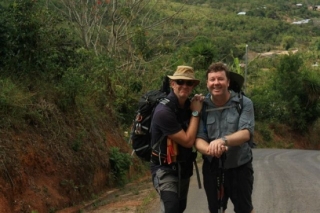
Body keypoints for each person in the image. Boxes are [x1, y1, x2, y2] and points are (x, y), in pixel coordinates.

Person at [195, 62, 255, 213]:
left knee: (245, 209)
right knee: (215, 210)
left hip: (239, 166)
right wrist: (210, 149)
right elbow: (198, 138)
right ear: (207, 83)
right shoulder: (201, 106)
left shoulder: (243, 103)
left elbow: (246, 132)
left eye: (220, 79)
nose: (216, 83)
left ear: (228, 82)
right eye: (212, 79)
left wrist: (222, 141)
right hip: (212, 168)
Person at [150, 65, 204, 213]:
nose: (184, 86)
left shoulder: (189, 105)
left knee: (179, 208)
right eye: (180, 81)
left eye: (189, 83)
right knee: (171, 208)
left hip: (184, 168)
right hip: (165, 169)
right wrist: (195, 113)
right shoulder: (163, 112)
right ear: (172, 84)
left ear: (193, 86)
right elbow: (187, 141)